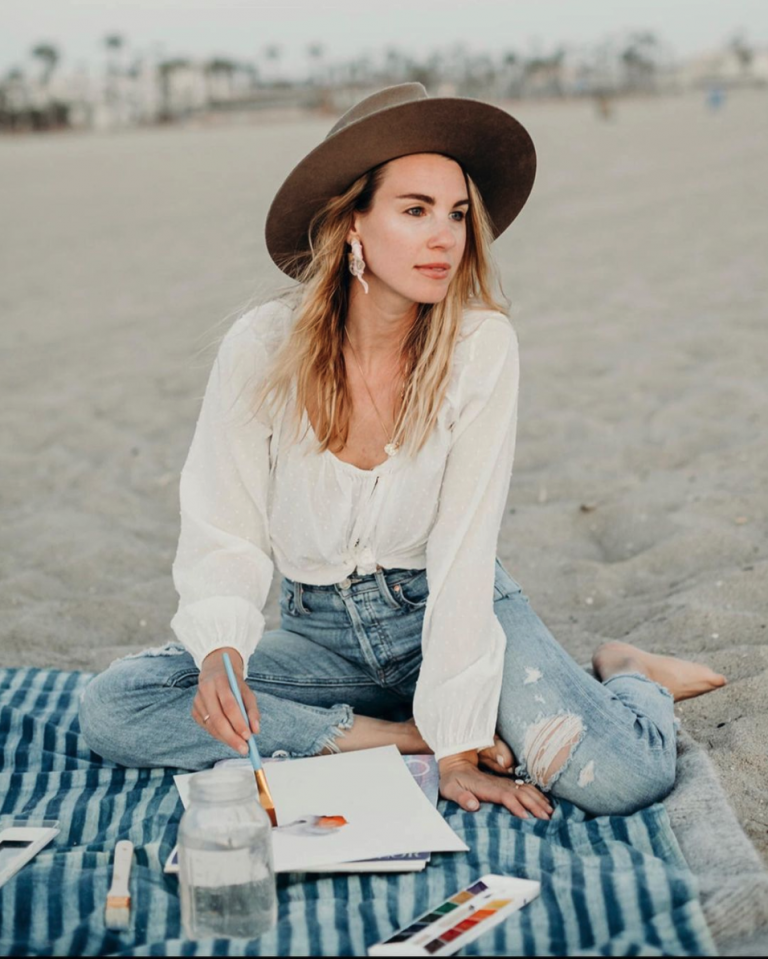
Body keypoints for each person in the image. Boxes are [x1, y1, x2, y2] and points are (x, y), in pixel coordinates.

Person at [79, 83, 726, 821]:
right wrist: (224, 646)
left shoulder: (480, 347)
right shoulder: (260, 346)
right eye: (414, 210)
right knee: (116, 705)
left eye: (455, 214)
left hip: (450, 610)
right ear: (352, 221)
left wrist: (456, 741)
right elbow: (224, 519)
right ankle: (387, 734)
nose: (444, 237)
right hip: (319, 637)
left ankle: (630, 670)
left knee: (625, 776)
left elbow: (463, 547)